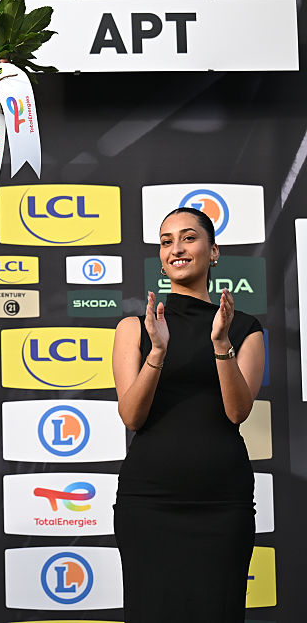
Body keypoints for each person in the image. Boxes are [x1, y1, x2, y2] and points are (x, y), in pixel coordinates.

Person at [111, 207, 265, 622]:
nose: (176, 248)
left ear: (213, 252)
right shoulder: (135, 328)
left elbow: (237, 411)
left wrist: (220, 344)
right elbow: (132, 417)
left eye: (189, 238)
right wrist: (158, 352)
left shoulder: (244, 328)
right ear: (161, 258)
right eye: (166, 241)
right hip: (150, 502)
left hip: (222, 502)